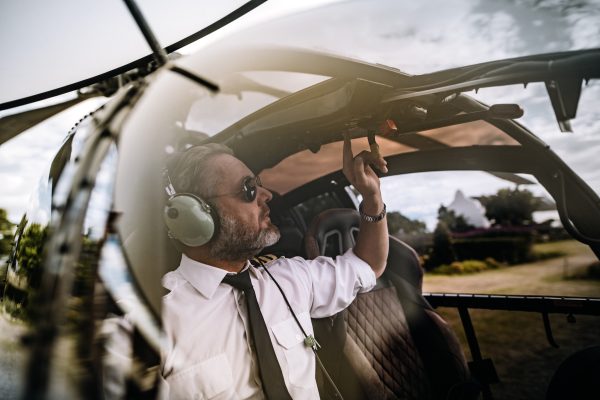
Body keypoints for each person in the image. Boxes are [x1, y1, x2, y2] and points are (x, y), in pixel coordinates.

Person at [160, 135, 389, 399]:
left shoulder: (289, 277)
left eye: (259, 185)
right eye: (248, 189)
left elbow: (368, 265)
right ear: (194, 215)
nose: (266, 195)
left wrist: (372, 197)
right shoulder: (153, 322)